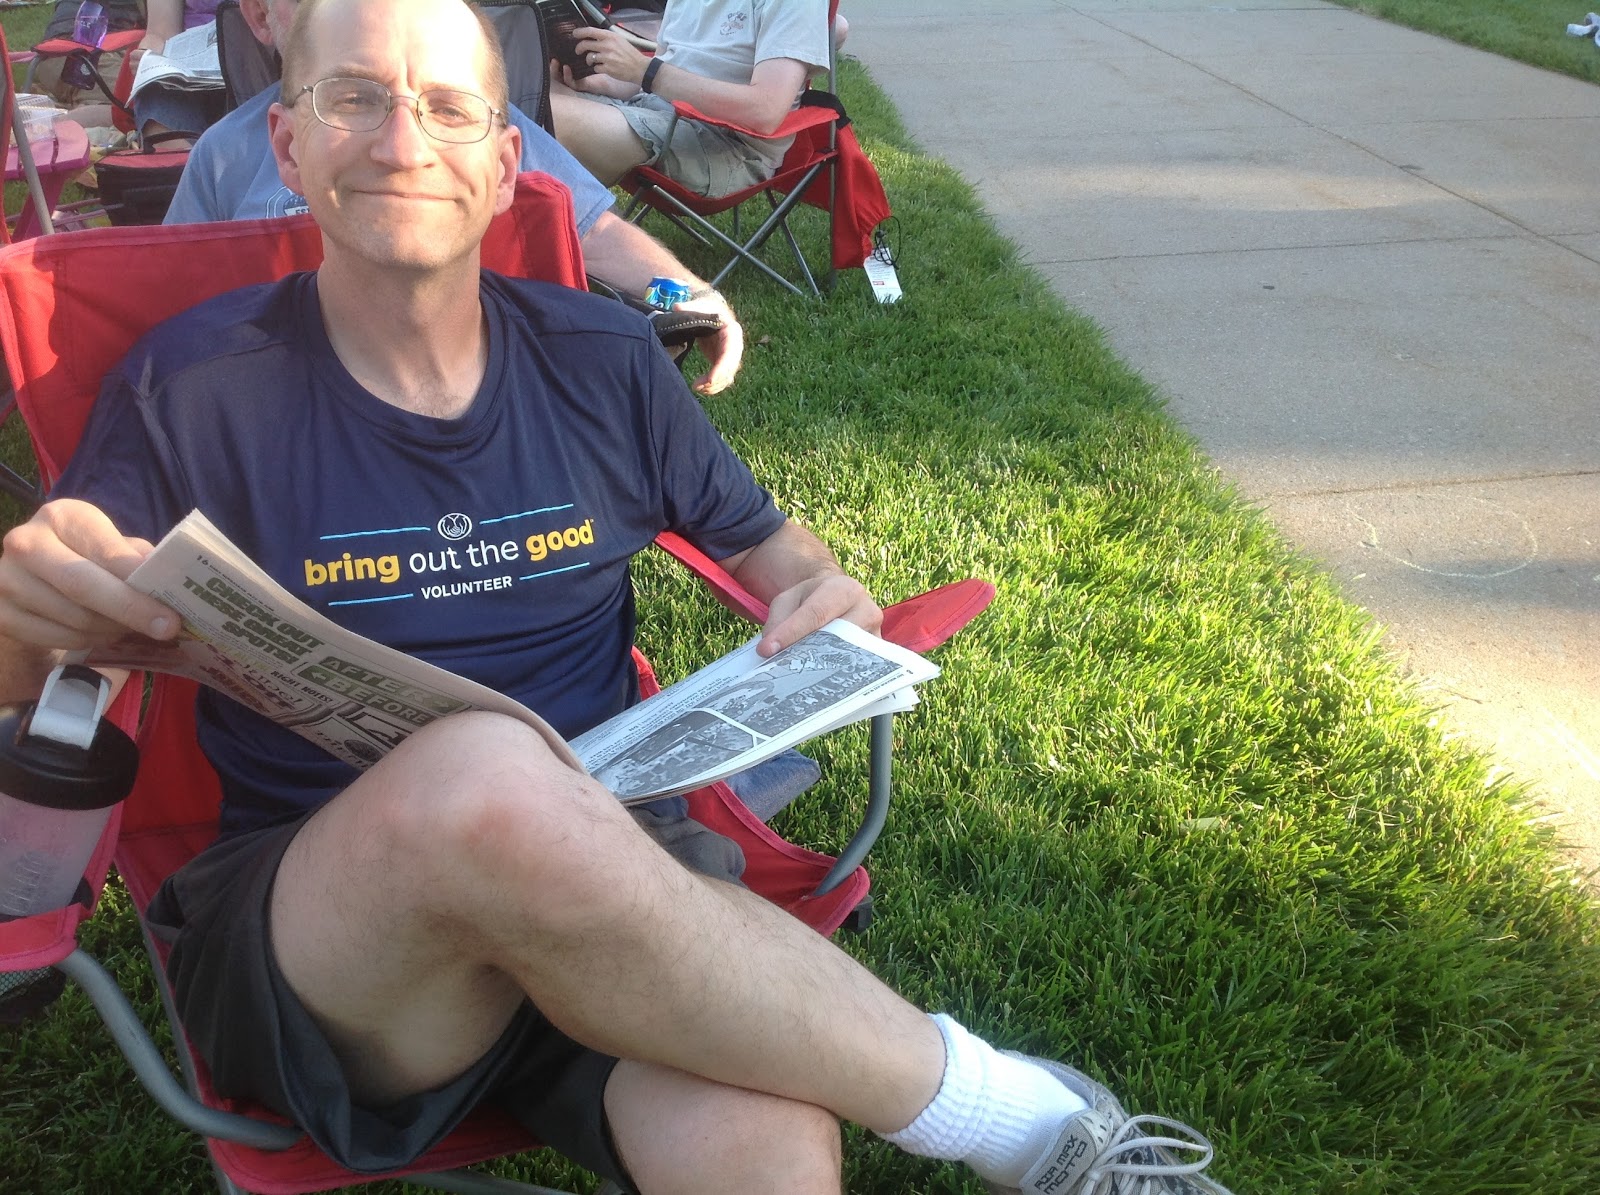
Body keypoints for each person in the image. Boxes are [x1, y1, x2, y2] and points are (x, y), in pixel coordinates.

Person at [0, 2, 1232, 1192]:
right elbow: (53, 646)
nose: (401, 142)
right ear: (286, 142)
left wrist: (823, 596)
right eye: (353, 98)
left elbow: (780, 555)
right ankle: (1020, 1120)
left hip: (623, 872)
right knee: (483, 770)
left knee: (765, 1139)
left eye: (447, 107)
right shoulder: (196, 388)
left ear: (505, 162)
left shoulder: (600, 362)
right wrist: (27, 615)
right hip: (344, 945)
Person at [164, 0, 745, 397]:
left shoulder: (469, 119)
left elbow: (590, 228)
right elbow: (172, 302)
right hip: (286, 393)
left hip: (473, 389)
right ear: (260, 17)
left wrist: (691, 295)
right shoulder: (224, 155)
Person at [549, 0, 829, 197]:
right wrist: (598, 83)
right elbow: (661, 71)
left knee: (545, 116)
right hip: (655, 112)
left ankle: (594, 246)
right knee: (531, 91)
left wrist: (646, 71)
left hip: (724, 146)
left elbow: (765, 112)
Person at [127, 0, 227, 143]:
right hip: (186, 71)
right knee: (154, 87)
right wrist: (148, 57)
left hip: (249, 69)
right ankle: (178, 156)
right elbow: (159, 33)